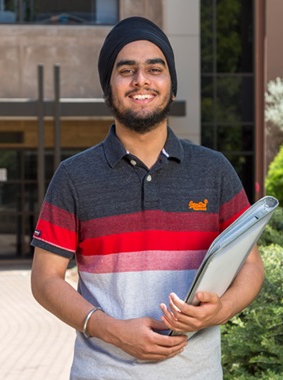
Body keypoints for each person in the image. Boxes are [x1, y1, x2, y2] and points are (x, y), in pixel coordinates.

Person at [30, 16, 264, 379]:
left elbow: (250, 265)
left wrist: (221, 310)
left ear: (171, 86)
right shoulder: (74, 176)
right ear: (108, 87)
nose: (141, 80)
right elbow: (45, 280)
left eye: (155, 69)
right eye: (126, 70)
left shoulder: (214, 170)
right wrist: (110, 330)